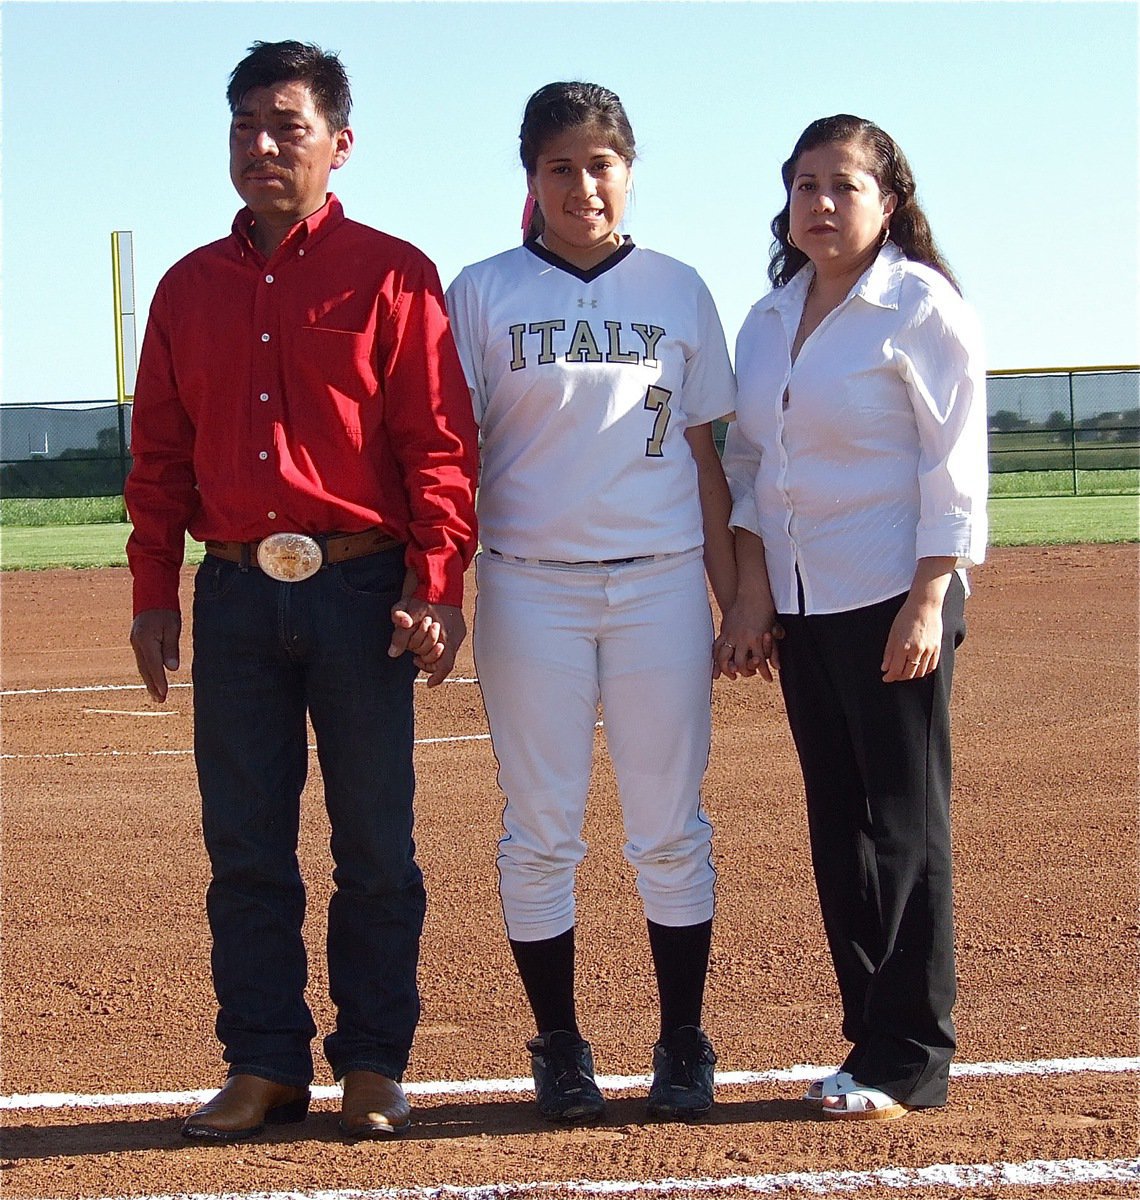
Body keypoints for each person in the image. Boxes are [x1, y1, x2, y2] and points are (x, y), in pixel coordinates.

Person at [125, 40, 478, 1142]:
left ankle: (374, 1062)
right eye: (245, 128)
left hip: (362, 594)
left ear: (339, 143)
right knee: (244, 846)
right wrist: (152, 595)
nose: (263, 146)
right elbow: (159, 460)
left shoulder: (394, 273)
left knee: (375, 843)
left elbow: (438, 446)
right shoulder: (187, 287)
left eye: (287, 125)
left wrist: (437, 579)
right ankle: (264, 1061)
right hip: (233, 597)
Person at [445, 81, 737, 1125]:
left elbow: (708, 456)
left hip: (658, 581)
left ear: (629, 169)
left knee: (669, 828)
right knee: (540, 831)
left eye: (600, 162)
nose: (582, 184)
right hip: (530, 585)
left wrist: (733, 598)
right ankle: (560, 1046)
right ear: (532, 177)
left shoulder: (679, 286)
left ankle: (682, 1042)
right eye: (559, 166)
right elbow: (449, 455)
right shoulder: (479, 292)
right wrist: (439, 584)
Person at [719, 114, 987, 1121]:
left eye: (845, 186)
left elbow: (953, 463)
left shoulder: (918, 306)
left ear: (889, 200)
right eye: (805, 186)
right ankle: (869, 1038)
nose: (822, 205)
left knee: (904, 825)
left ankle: (912, 1053)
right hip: (802, 600)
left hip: (893, 593)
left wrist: (929, 595)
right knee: (841, 827)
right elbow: (749, 462)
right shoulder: (766, 317)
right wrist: (750, 591)